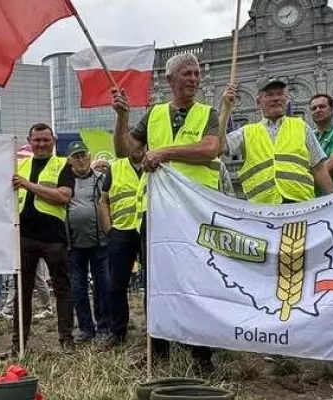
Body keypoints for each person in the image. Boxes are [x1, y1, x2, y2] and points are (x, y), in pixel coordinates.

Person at [113, 51, 221, 374]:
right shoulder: (154, 115)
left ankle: (201, 356)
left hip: (194, 212)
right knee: (155, 282)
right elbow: (124, 151)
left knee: (196, 280)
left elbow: (211, 148)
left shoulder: (208, 113)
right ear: (170, 79)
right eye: (187, 73)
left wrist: (164, 152)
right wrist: (122, 117)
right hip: (157, 212)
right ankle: (157, 352)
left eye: (197, 74)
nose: (194, 79)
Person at [11, 123, 75, 352]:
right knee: (22, 292)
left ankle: (66, 340)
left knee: (62, 288)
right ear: (29, 141)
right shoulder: (20, 165)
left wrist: (28, 185)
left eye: (46, 140)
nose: (41, 144)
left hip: (53, 238)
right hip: (24, 236)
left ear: (54, 141)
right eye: (37, 140)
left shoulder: (63, 164)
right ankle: (18, 344)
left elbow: (63, 196)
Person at [222, 78, 333, 202]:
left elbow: (319, 169)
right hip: (263, 207)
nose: (276, 98)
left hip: (300, 205)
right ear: (258, 102)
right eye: (269, 95)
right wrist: (226, 109)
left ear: (287, 99)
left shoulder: (302, 127)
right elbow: (220, 146)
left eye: (280, 94)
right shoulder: (246, 132)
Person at [101, 139, 146, 348]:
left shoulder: (156, 163)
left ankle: (155, 332)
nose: (137, 147)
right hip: (121, 232)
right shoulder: (115, 167)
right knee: (116, 285)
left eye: (141, 143)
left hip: (149, 230)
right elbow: (104, 201)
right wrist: (109, 230)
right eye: (133, 143)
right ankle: (118, 331)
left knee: (153, 285)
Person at [65, 141, 111, 343]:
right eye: (76, 156)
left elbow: (108, 203)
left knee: (104, 286)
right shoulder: (64, 182)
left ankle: (104, 326)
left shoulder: (102, 179)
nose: (81, 159)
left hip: (101, 243)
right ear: (70, 161)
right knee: (77, 288)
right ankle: (85, 329)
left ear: (90, 156)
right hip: (73, 244)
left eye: (83, 155)